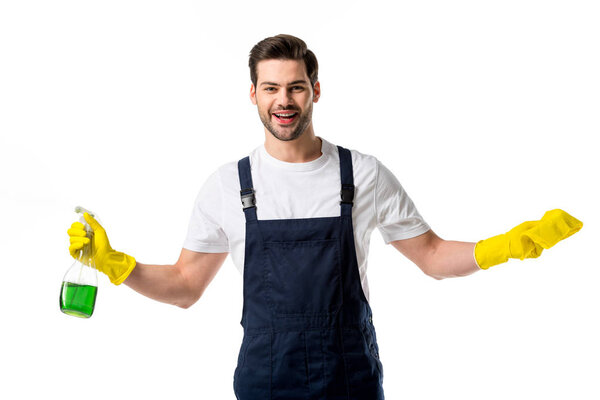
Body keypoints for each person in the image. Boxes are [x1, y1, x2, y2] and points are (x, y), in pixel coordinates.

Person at [67, 34, 583, 400]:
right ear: (253, 94)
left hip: (350, 378)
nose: (283, 101)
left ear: (316, 89)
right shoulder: (228, 184)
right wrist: (117, 264)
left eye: (295, 86)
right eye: (270, 88)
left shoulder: (362, 173)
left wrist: (505, 247)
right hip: (265, 382)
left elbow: (430, 256)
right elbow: (184, 286)